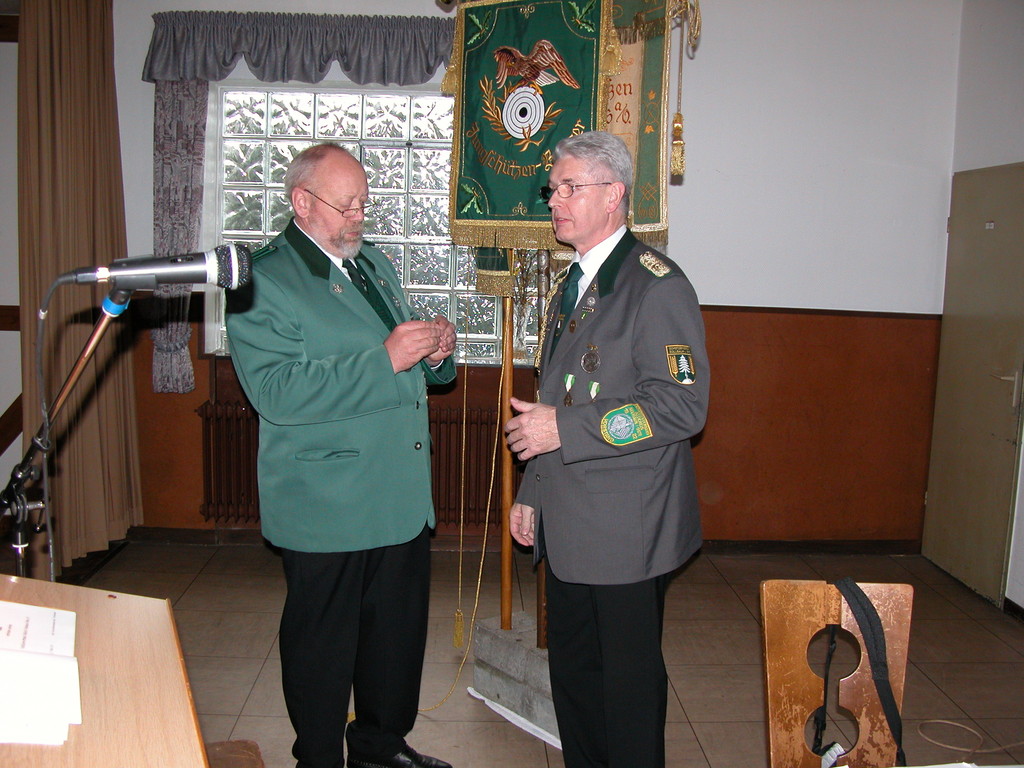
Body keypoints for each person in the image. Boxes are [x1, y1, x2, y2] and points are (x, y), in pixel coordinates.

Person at [226, 142, 456, 768]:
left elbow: (406, 364)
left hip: (397, 494)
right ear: (302, 202)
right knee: (323, 648)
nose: (360, 214)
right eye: (345, 203)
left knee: (394, 643)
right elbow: (276, 393)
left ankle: (381, 749)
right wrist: (386, 358)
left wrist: (435, 353)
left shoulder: (370, 263)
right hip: (327, 504)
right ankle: (319, 757)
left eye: (363, 202)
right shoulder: (263, 278)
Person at [504, 131, 710, 768]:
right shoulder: (579, 283)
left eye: (571, 188)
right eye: (553, 189)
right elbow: (554, 392)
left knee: (626, 691)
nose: (555, 201)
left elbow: (680, 406)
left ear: (615, 194)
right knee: (574, 680)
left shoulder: (657, 287)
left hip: (627, 530)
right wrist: (532, 493)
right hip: (568, 524)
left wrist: (563, 432)